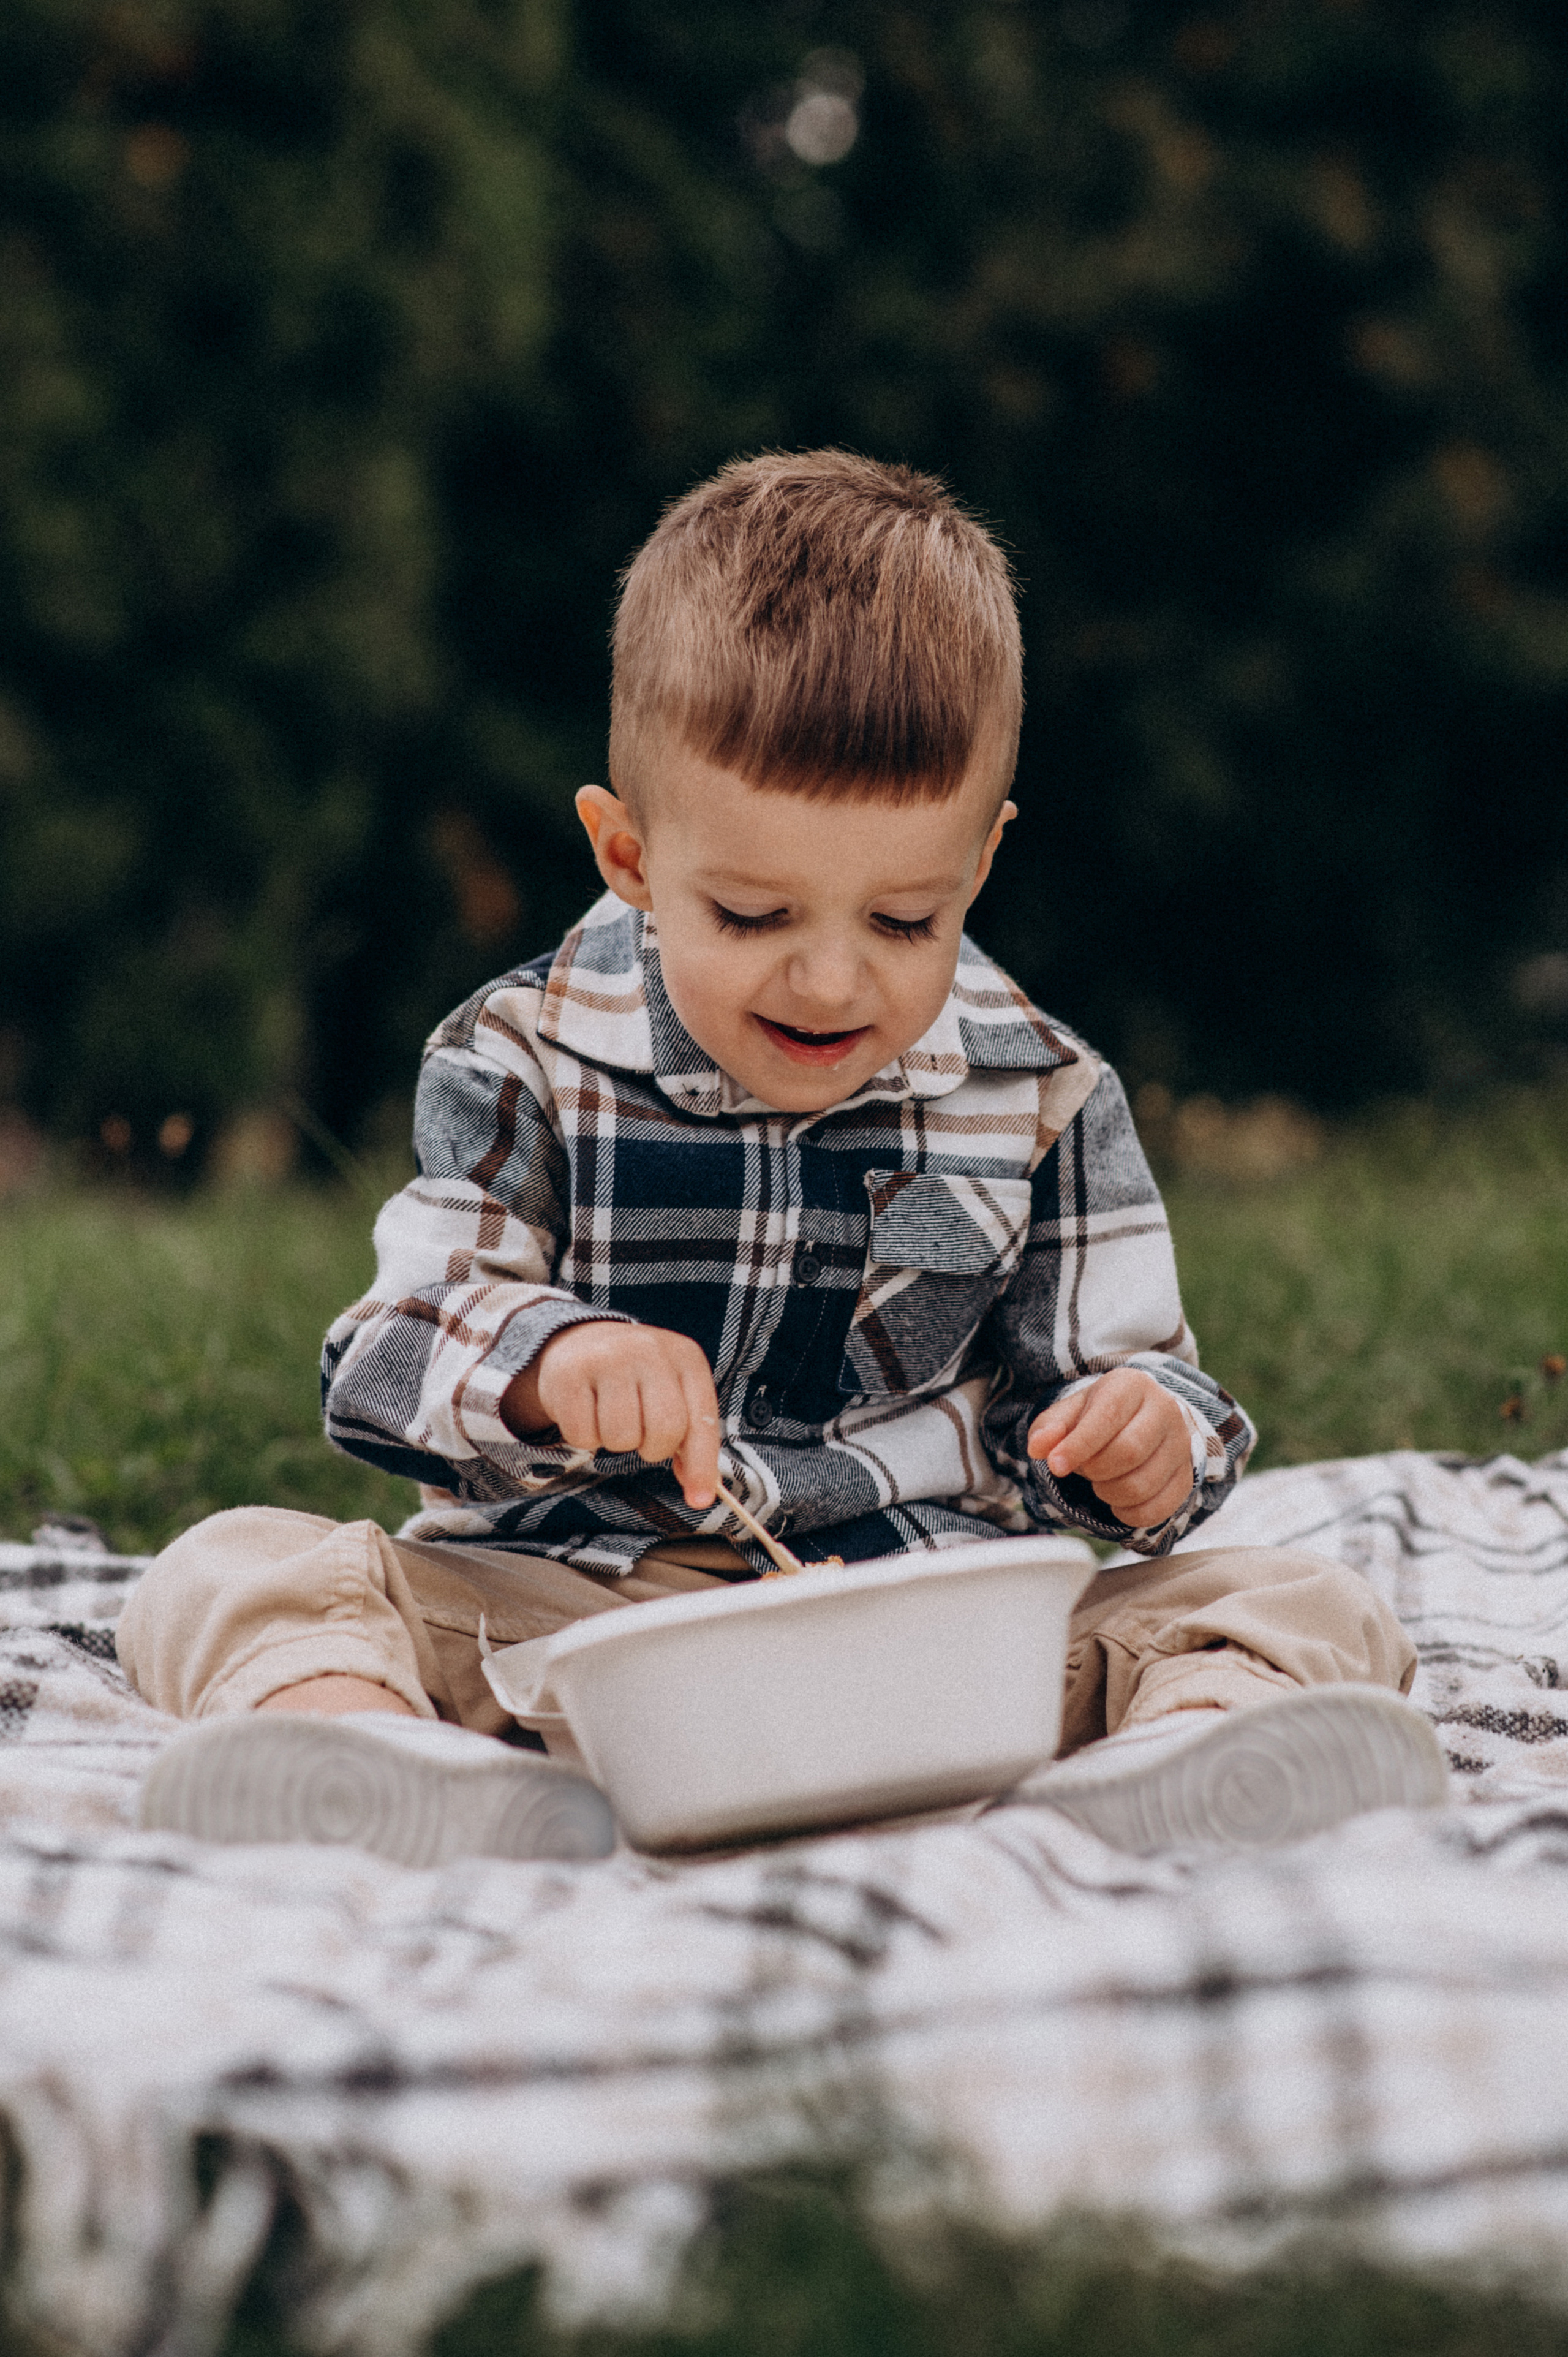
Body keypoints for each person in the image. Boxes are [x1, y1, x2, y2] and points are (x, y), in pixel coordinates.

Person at [121, 451, 1444, 1866]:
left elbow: (1127, 1398)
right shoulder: (521, 1054)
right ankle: (359, 1756)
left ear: (980, 864)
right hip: (585, 1625)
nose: (827, 982)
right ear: (627, 854)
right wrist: (551, 1360)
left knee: (1305, 1598)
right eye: (751, 913)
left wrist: (1140, 1438)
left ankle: (1193, 1763)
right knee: (231, 1567)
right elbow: (386, 1355)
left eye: (900, 921)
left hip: (935, 1636)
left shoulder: (1044, 1094)